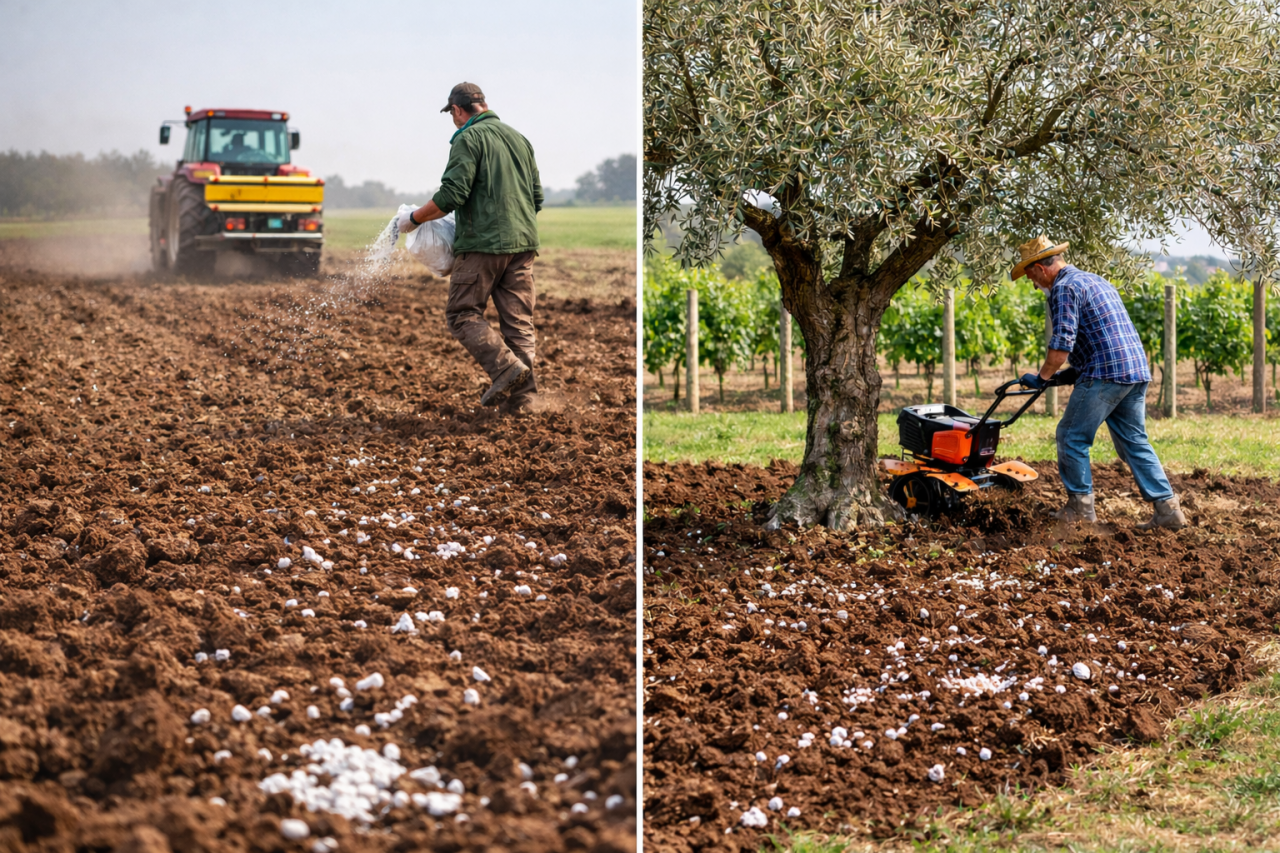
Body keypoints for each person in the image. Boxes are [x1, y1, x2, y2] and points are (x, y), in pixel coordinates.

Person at [1012, 235, 1187, 530]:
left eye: (1030, 276)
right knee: (1134, 442)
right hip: (1134, 371)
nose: (1032, 283)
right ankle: (1168, 509)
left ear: (1040, 268)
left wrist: (1041, 377)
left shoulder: (1064, 287)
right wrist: (1061, 377)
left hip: (1105, 373)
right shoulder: (1095, 281)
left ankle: (1080, 509)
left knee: (1071, 436)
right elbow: (1099, 337)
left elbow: (1062, 343)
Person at [397, 83, 543, 412]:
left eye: (451, 114)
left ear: (458, 110)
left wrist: (414, 219)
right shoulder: (519, 139)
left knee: (462, 313)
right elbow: (536, 198)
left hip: (482, 246)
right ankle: (526, 400)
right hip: (523, 245)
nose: (452, 119)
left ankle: (506, 369)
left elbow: (451, 196)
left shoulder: (468, 138)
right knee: (518, 323)